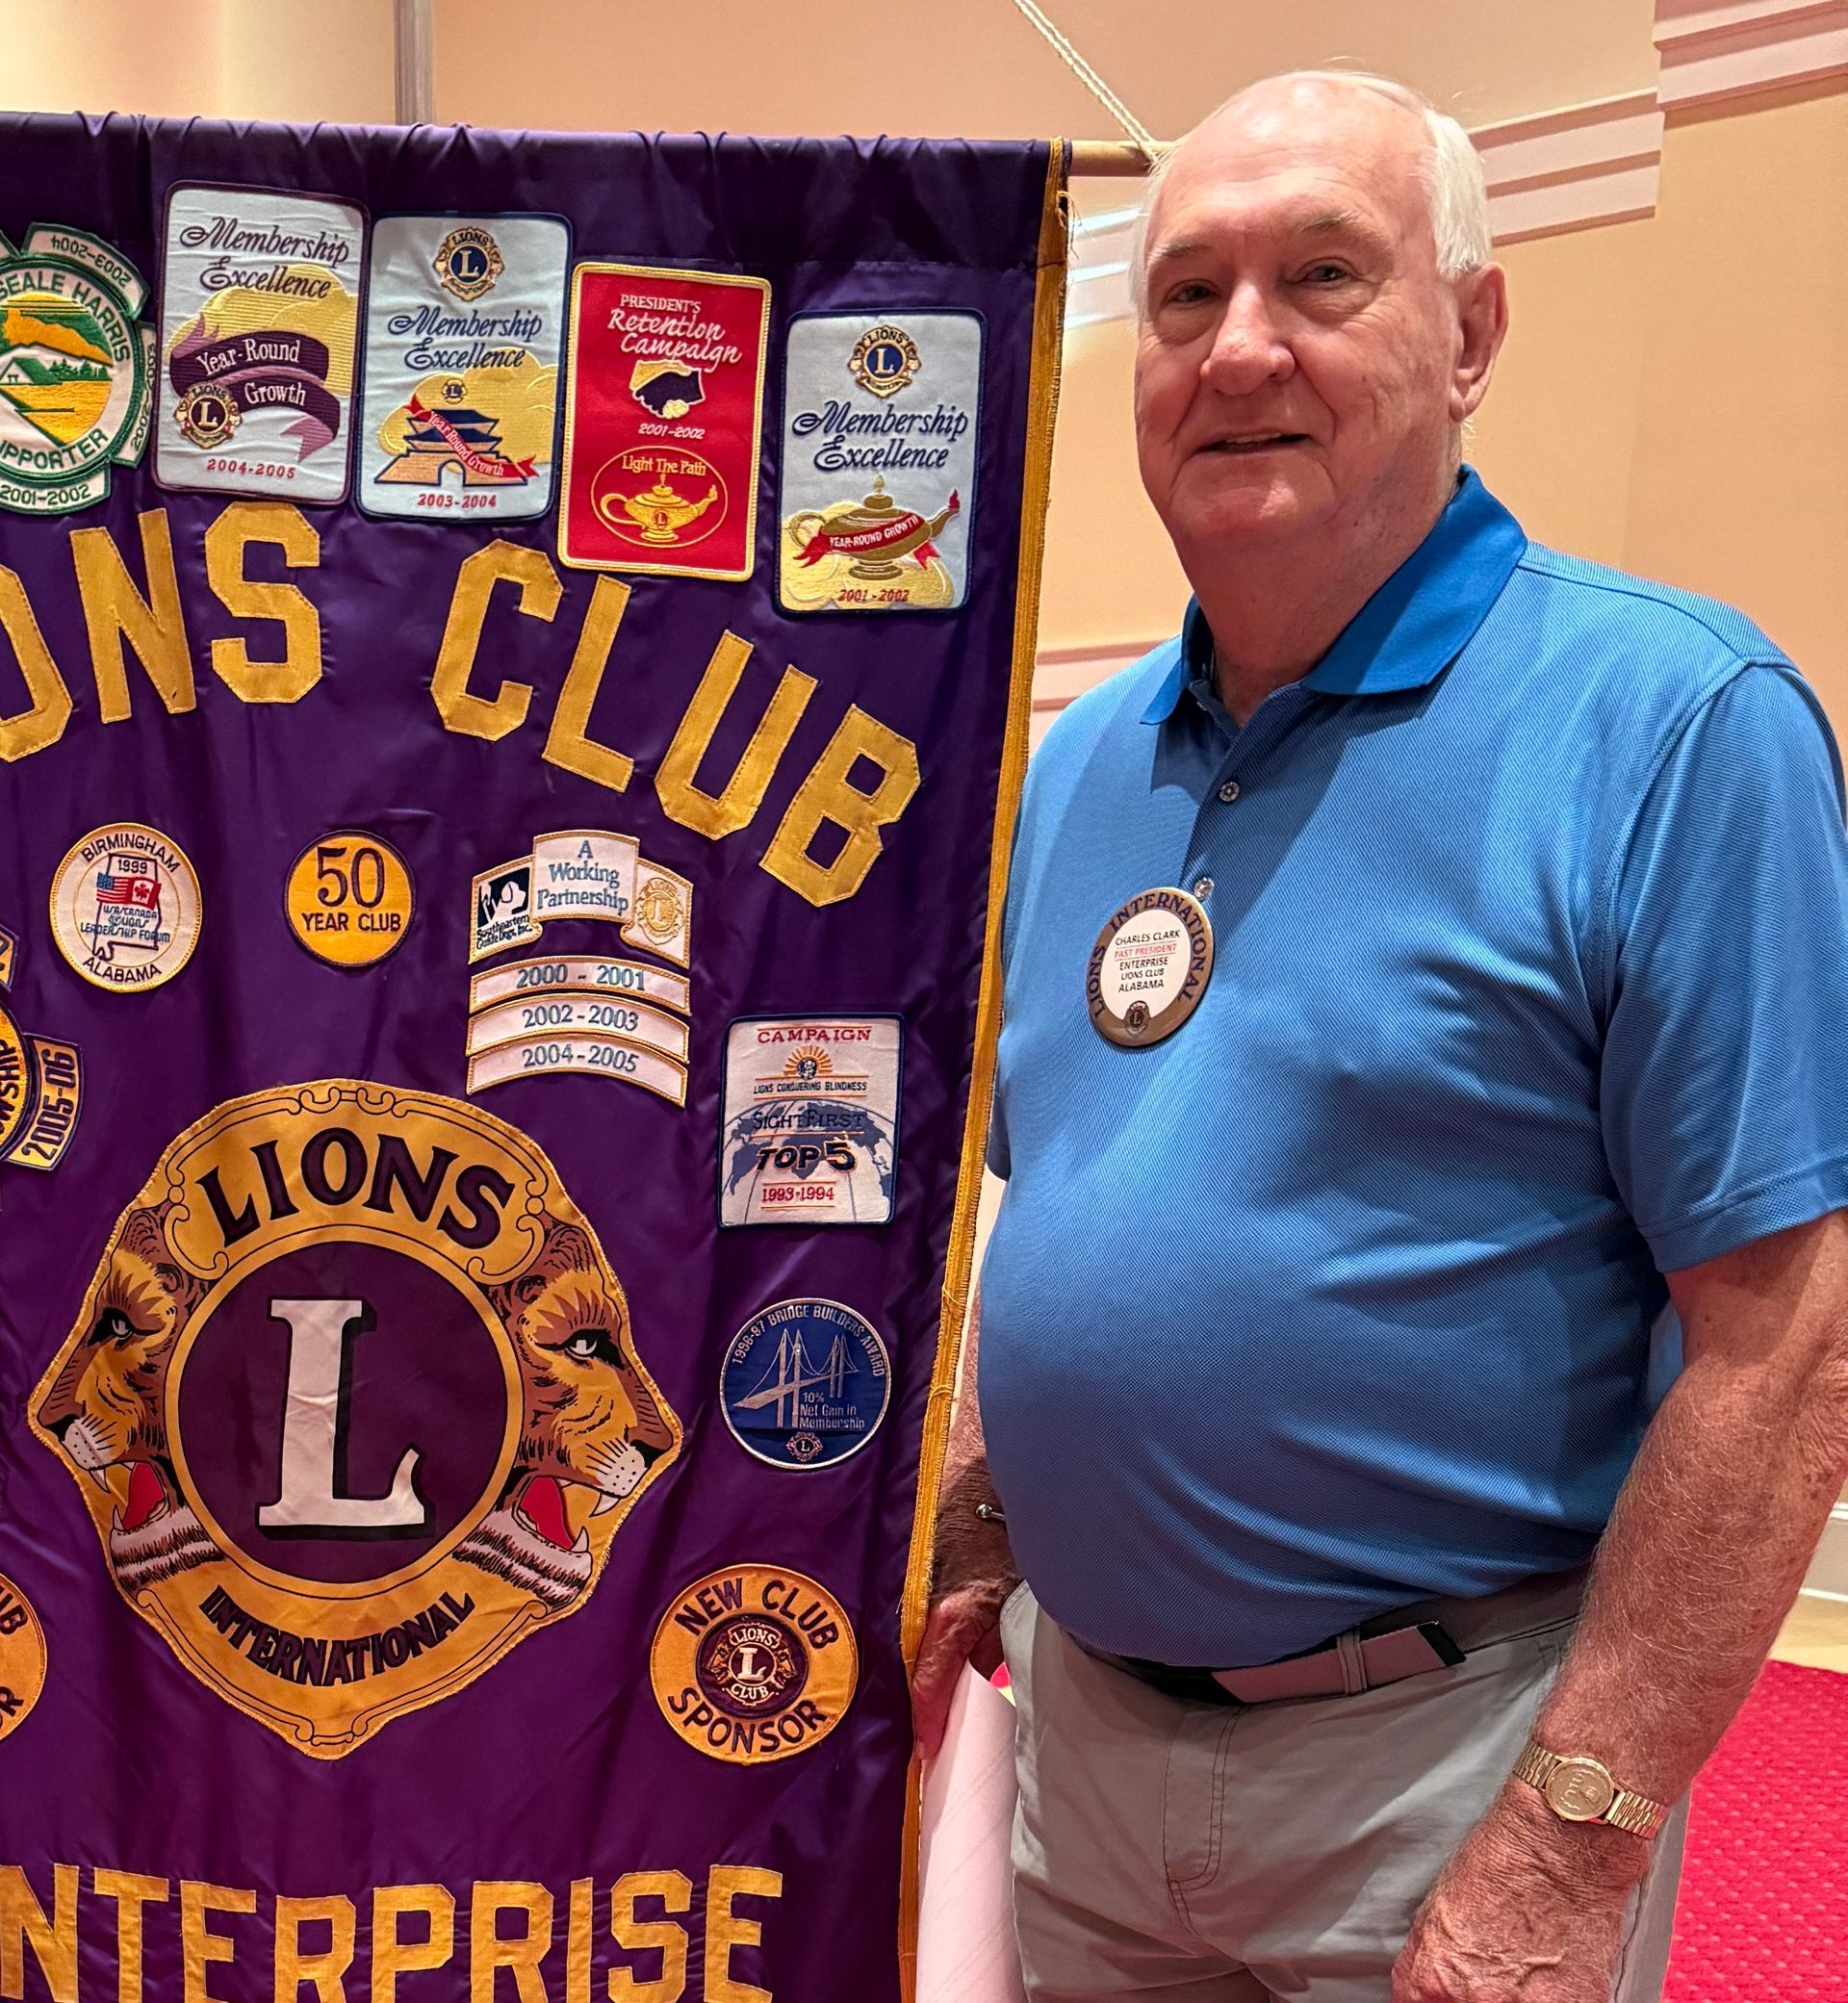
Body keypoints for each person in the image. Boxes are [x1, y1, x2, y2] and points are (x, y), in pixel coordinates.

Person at [912, 68, 1848, 2003]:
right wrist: (990, 1521)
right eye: (1185, 296)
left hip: (1446, 1767)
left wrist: (1568, 1844)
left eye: (1323, 276)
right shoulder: (1078, 767)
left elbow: (1788, 1342)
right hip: (1084, 1752)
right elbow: (1062, 1196)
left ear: (1473, 332)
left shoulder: (1673, 725)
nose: (1240, 344)